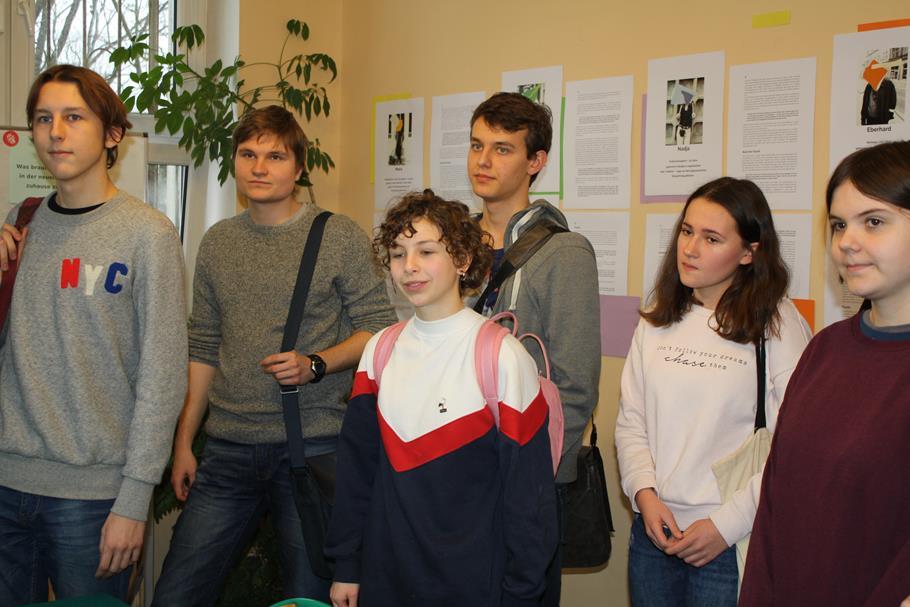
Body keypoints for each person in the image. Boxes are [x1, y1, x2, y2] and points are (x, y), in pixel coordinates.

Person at [152, 105, 395, 606]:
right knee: (177, 592)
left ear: (299, 167)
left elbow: (380, 327)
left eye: (275, 156)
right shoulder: (218, 242)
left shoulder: (337, 235)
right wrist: (184, 442)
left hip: (311, 446)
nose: (259, 168)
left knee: (309, 597)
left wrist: (316, 364)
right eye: (248, 155)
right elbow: (204, 346)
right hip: (228, 448)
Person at [0, 65, 187, 603]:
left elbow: (163, 376)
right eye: (43, 119)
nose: (55, 132)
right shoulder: (21, 222)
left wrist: (133, 501)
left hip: (93, 500)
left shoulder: (148, 234)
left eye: (74, 117)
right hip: (8, 484)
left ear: (112, 135)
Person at [326, 190, 557, 607]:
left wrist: (522, 593)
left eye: (426, 251)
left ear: (463, 260)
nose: (409, 266)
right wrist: (347, 565)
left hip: (472, 584)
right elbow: (356, 473)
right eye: (398, 254)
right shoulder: (379, 352)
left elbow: (529, 498)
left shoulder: (502, 357)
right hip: (385, 576)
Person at [615, 177, 812, 606]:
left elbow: (795, 447)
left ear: (748, 252)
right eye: (687, 231)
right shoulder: (659, 317)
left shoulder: (777, 324)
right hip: (654, 533)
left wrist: (724, 526)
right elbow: (632, 421)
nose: (690, 249)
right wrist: (644, 495)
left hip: (732, 539)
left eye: (711, 238)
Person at [740, 141, 910, 606]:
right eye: (839, 225)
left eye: (873, 222)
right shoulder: (826, 349)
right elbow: (776, 501)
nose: (847, 242)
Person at [468, 91, 601, 605]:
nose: (483, 160)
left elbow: (575, 385)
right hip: (453, 466)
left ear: (535, 162)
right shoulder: (451, 243)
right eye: (477, 145)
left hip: (524, 476)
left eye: (502, 149)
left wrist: (532, 479)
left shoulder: (563, 252)